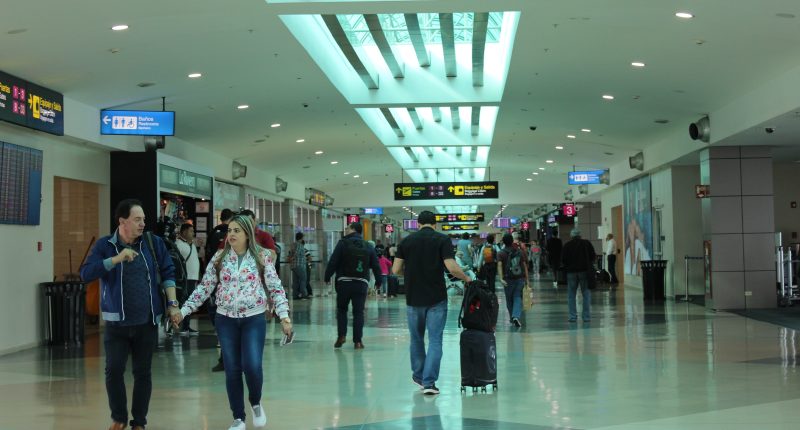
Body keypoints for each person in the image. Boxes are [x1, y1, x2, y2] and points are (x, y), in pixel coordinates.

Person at [172, 214, 292, 430]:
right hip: (225, 320)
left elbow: (275, 287)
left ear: (247, 234)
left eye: (237, 230)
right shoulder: (219, 258)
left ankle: (255, 402)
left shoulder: (261, 257)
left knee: (252, 366)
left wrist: (284, 316)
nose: (231, 234)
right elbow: (204, 288)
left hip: (253, 318)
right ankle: (238, 418)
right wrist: (184, 311)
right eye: (230, 230)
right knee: (232, 369)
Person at [80, 199, 179, 430]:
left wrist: (173, 304)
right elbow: (85, 273)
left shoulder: (153, 243)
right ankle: (119, 419)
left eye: (143, 219)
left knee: (142, 373)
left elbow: (168, 272)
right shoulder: (105, 245)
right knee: (114, 371)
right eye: (137, 219)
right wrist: (116, 259)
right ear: (122, 221)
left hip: (146, 322)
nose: (142, 223)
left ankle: (139, 422)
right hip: (117, 325)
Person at [392, 210, 472, 395]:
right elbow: (452, 267)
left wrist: (410, 273)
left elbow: (395, 270)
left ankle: (419, 376)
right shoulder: (442, 240)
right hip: (436, 298)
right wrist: (466, 278)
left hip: (413, 298)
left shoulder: (406, 241)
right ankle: (429, 383)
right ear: (435, 224)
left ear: (418, 224)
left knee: (416, 339)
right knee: (435, 340)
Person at [325, 222, 382, 349]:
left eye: (347, 228)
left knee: (342, 310)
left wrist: (327, 276)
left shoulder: (342, 243)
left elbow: (333, 261)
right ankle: (358, 341)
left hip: (343, 283)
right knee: (358, 312)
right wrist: (379, 281)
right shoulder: (368, 245)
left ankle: (341, 336)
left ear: (353, 229)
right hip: (361, 283)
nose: (345, 229)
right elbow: (376, 265)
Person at [561, 228, 596, 322]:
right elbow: (593, 256)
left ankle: (572, 317)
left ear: (571, 235)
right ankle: (586, 317)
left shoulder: (567, 245)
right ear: (580, 235)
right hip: (584, 271)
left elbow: (563, 259)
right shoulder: (586, 243)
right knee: (586, 294)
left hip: (571, 273)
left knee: (571, 295)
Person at [498, 233, 529, 328]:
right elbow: (524, 266)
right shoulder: (519, 251)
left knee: (509, 299)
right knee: (517, 297)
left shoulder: (501, 253)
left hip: (507, 279)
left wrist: (501, 278)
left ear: (503, 242)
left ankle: (512, 317)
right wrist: (527, 279)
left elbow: (499, 265)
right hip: (519, 278)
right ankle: (515, 316)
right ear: (512, 241)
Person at [176, 223, 201, 335]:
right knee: (184, 302)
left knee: (189, 302)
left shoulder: (192, 245)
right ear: (184, 232)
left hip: (192, 278)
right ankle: (182, 326)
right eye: (191, 231)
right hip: (185, 278)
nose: (193, 233)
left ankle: (186, 326)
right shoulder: (178, 244)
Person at [288, 232, 309, 299]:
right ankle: (304, 294)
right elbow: (296, 254)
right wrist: (292, 258)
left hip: (294, 266)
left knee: (295, 281)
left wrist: (291, 259)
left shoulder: (293, 244)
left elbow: (290, 253)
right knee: (303, 279)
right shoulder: (299, 245)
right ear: (301, 237)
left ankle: (295, 295)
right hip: (300, 265)